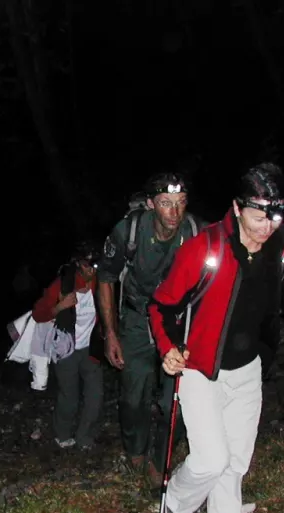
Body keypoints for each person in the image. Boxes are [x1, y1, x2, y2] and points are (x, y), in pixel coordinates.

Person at [147, 162, 284, 513]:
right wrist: (168, 348)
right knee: (211, 459)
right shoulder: (204, 249)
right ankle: (177, 503)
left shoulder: (281, 251)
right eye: (258, 216)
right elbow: (162, 305)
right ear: (238, 208)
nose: (267, 226)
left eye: (274, 216)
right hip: (200, 368)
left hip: (248, 368)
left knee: (236, 460)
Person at [96, 172, 203, 487]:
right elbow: (105, 278)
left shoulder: (197, 232)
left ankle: (161, 458)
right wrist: (111, 333)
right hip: (136, 319)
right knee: (134, 394)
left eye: (181, 203)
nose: (174, 212)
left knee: (180, 399)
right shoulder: (128, 231)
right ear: (150, 204)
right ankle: (136, 452)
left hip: (179, 321)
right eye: (166, 203)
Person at [32, 241, 104, 450]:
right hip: (66, 349)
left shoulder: (101, 282)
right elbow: (38, 314)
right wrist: (59, 306)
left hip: (91, 348)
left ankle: (84, 436)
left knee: (95, 395)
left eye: (95, 265)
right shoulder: (62, 284)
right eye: (86, 265)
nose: (91, 270)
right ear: (78, 263)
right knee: (69, 396)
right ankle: (62, 435)